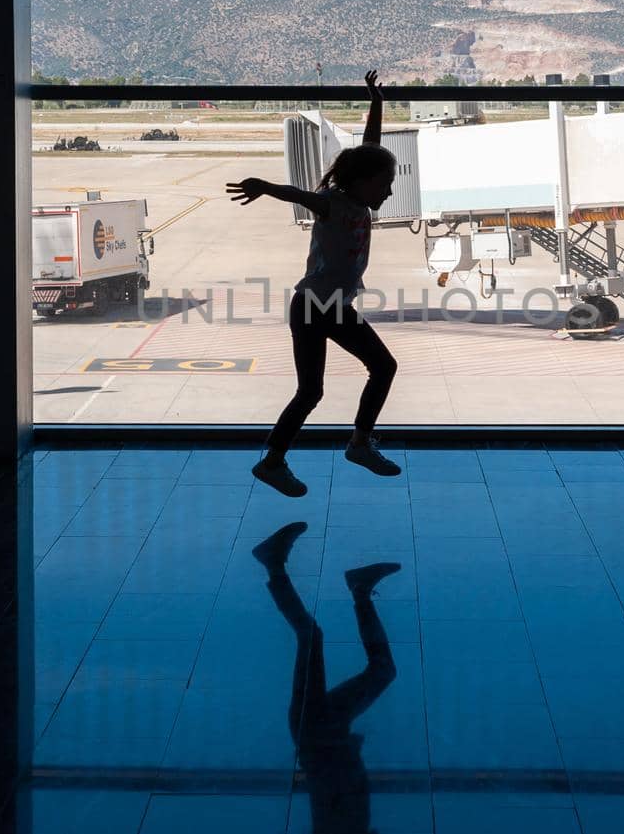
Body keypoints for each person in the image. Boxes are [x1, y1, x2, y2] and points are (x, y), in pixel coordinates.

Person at [226, 69, 401, 497]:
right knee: (378, 369)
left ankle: (273, 461)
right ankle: (358, 444)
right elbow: (300, 195)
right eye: (385, 185)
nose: (389, 193)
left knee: (312, 390)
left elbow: (370, 148)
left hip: (320, 306)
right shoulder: (334, 204)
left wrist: (376, 103)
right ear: (361, 182)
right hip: (316, 307)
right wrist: (265, 187)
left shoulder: (358, 200)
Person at [252, 522, 398, 834]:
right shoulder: (353, 824)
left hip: (315, 729)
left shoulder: (342, 827)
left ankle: (274, 562)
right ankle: (360, 589)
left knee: (311, 636)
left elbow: (334, 786)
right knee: (381, 669)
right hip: (328, 728)